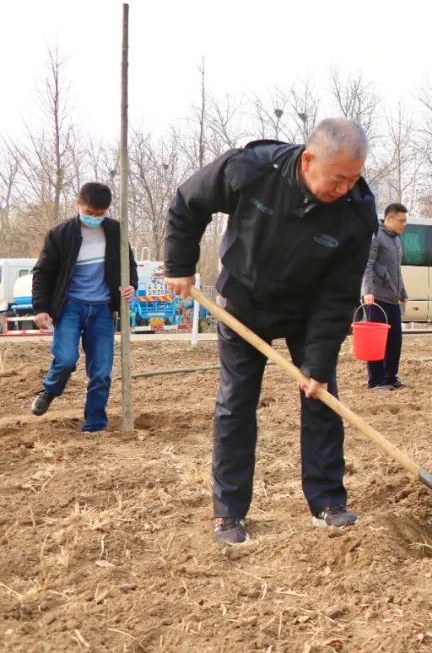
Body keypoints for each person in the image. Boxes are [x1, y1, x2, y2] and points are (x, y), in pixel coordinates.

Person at [163, 119, 379, 545]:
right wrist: (179, 264)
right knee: (236, 403)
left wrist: (317, 365)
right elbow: (189, 201)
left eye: (354, 179)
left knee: (321, 397)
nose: (345, 189)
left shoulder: (356, 211)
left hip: (309, 312)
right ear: (309, 160)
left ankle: (327, 502)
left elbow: (339, 295)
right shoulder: (253, 168)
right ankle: (229, 512)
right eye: (338, 179)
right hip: (245, 303)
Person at [29, 182, 137, 432]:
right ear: (78, 204)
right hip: (70, 307)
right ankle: (50, 390)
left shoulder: (115, 232)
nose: (94, 218)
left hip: (102, 310)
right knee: (66, 359)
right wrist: (40, 308)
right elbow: (43, 273)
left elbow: (128, 265)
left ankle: (95, 425)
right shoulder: (60, 234)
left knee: (101, 372)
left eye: (100, 214)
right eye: (89, 212)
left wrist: (131, 285)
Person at [362, 203, 409, 390]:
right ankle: (375, 380)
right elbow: (367, 265)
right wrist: (367, 291)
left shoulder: (396, 240)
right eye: (401, 221)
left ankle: (390, 377)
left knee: (395, 340)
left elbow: (396, 270)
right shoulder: (376, 237)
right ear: (389, 219)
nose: (404, 225)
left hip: (392, 298)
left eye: (405, 221)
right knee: (376, 341)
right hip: (376, 298)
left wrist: (402, 292)